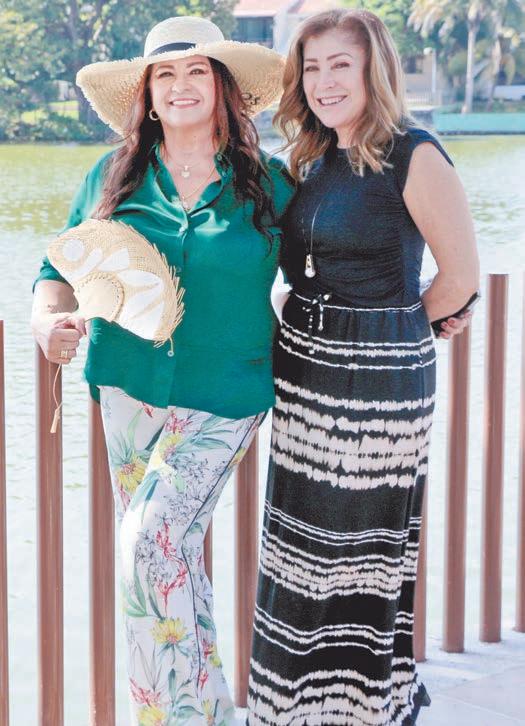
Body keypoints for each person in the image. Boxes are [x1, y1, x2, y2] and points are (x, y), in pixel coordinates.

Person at [31, 16, 293, 726]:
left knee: (146, 544)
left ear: (222, 87)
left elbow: (328, 259)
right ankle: (208, 714)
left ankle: (170, 719)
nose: (181, 86)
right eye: (165, 75)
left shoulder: (269, 183)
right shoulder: (111, 176)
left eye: (197, 71)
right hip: (127, 389)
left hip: (226, 393)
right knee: (167, 557)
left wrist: (419, 298)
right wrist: (46, 322)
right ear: (146, 94)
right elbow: (57, 270)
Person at [247, 9, 478, 726]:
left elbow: (460, 278)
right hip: (304, 380)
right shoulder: (306, 159)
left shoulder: (414, 153)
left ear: (373, 68)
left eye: (339, 64)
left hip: (377, 391)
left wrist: (398, 332)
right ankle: (290, 709)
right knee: (298, 555)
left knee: (357, 558)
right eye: (311, 68)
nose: (323, 81)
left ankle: (360, 709)